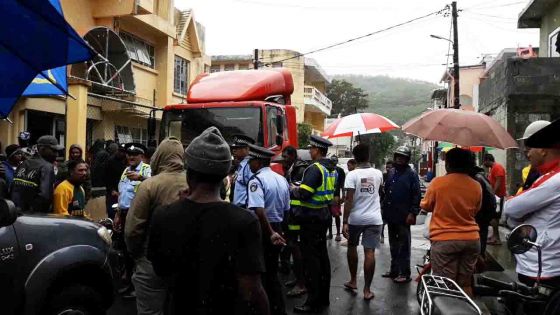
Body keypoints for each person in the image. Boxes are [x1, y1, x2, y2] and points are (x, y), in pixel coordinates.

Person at [147, 127, 270, 315]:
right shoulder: (245, 222)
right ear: (223, 177)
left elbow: (161, 270)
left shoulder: (163, 216)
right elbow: (252, 290)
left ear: (189, 173)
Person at [125, 138, 188, 315]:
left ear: (158, 156)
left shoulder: (149, 185)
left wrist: (136, 255)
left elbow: (133, 229)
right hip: (185, 260)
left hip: (151, 260)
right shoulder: (194, 183)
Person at [504, 118, 560, 289]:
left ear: (543, 150)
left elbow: (511, 208)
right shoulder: (545, 175)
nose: (527, 154)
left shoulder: (554, 179)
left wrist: (512, 203)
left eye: (531, 149)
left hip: (542, 266)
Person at [421, 148, 482, 296]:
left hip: (444, 240)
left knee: (445, 285)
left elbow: (426, 205)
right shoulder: (476, 185)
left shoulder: (438, 183)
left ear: (448, 164)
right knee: (465, 282)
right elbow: (476, 210)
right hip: (471, 240)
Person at [290, 135, 337, 313]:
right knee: (322, 258)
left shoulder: (314, 168)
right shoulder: (331, 168)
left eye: (311, 148)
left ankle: (312, 301)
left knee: (311, 261)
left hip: (311, 217)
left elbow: (304, 194)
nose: (309, 151)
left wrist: (293, 189)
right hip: (324, 214)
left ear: (317, 150)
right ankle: (323, 297)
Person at [246, 144, 289, 315]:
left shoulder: (256, 181)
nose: (249, 164)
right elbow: (287, 209)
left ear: (258, 162)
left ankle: (269, 309)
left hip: (265, 230)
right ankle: (278, 308)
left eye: (251, 161)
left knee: (263, 273)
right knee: (272, 270)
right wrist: (282, 231)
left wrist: (271, 233)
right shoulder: (281, 179)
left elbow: (258, 210)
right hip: (278, 226)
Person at [342, 144, 383, 301]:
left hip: (356, 219)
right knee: (369, 252)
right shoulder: (378, 173)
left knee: (352, 247)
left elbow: (348, 200)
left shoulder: (352, 175)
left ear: (355, 157)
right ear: (368, 155)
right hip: (374, 219)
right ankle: (367, 290)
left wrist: (345, 221)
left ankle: (353, 281)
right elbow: (377, 193)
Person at [116, 143, 152, 298]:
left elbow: (154, 185)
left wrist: (141, 178)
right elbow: (121, 192)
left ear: (142, 156)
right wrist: (118, 214)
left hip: (138, 216)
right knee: (126, 251)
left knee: (137, 252)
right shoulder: (125, 170)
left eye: (134, 155)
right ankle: (130, 284)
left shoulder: (147, 170)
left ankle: (138, 287)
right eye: (129, 154)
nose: (130, 157)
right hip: (124, 214)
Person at [381, 146, 420, 283]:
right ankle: (394, 270)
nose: (399, 159)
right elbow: (386, 192)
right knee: (393, 244)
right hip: (391, 215)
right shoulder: (391, 172)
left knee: (404, 245)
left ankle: (405, 273)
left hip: (404, 216)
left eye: (403, 157)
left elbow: (416, 195)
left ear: (407, 159)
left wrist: (413, 213)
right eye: (398, 156)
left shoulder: (412, 174)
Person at [278, 146, 308, 297]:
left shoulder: (300, 169)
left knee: (296, 248)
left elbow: (296, 191)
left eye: (285, 157)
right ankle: (298, 279)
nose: (283, 159)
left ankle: (301, 284)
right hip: (292, 214)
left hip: (298, 214)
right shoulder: (291, 168)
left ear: (293, 156)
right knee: (292, 245)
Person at [11, 135, 62, 213]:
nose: (57, 155)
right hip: (35, 217)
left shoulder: (24, 163)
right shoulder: (47, 167)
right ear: (42, 149)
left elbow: (13, 189)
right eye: (54, 151)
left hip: (16, 215)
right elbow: (45, 196)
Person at [516, 121, 550, 195]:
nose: (527, 152)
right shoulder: (533, 170)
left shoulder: (553, 177)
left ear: (542, 149)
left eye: (529, 147)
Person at [469, 165, 496, 258]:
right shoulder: (481, 176)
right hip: (487, 210)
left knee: (480, 235)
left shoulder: (476, 180)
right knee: (482, 234)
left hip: (483, 212)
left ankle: (479, 258)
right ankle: (480, 256)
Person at [483, 153, 507, 245]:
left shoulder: (497, 167)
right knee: (494, 217)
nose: (484, 163)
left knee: (494, 216)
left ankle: (496, 238)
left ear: (488, 160)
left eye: (484, 161)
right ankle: (494, 236)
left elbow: (499, 180)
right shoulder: (493, 168)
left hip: (497, 196)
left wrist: (493, 193)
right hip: (496, 196)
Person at [230, 134, 256, 207]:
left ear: (247, 149)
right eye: (233, 148)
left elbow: (253, 191)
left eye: (237, 148)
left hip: (245, 208)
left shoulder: (249, 166)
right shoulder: (241, 165)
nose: (234, 150)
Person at [105, 143, 127, 219]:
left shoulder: (127, 162)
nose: (121, 153)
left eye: (123, 152)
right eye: (120, 151)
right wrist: (112, 190)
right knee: (112, 212)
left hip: (124, 192)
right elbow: (106, 177)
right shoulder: (111, 161)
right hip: (113, 192)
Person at [328, 155, 345, 242]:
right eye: (332, 161)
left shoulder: (340, 171)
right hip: (327, 195)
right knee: (328, 216)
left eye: (335, 161)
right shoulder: (327, 169)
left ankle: (338, 233)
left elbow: (342, 184)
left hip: (336, 196)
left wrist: (343, 196)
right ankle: (330, 233)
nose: (334, 163)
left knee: (336, 215)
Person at [380, 160, 394, 244]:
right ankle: (381, 235)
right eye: (387, 167)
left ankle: (392, 238)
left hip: (393, 203)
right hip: (383, 202)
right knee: (382, 220)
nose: (388, 169)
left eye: (390, 167)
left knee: (392, 222)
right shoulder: (383, 176)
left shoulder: (396, 177)